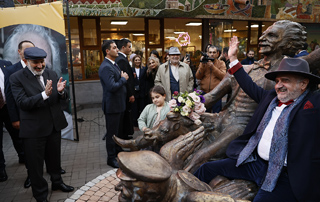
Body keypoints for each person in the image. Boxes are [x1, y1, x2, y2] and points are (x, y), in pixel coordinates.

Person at [194, 36, 320, 201]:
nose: (279, 85)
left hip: (284, 174)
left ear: (303, 84)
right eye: (277, 81)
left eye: (286, 81)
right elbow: (248, 85)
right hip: (254, 163)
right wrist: (232, 58)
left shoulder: (312, 105)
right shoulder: (270, 98)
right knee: (205, 169)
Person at [184, 20, 308, 173]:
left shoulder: (284, 71)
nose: (262, 39)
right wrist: (186, 103)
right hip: (220, 117)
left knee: (201, 155)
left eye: (272, 36)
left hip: (241, 127)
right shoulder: (246, 68)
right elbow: (211, 96)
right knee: (176, 123)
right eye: (262, 35)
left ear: (287, 42)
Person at [10, 47, 74, 202]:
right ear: (25, 61)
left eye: (42, 61)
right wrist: (44, 94)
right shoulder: (16, 78)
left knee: (55, 159)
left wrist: (60, 92)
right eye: (35, 62)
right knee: (36, 166)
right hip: (33, 130)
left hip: (53, 126)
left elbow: (62, 98)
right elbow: (22, 103)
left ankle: (57, 183)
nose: (40, 65)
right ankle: (40, 194)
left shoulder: (51, 73)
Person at [99, 40, 129, 168]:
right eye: (115, 48)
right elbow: (111, 86)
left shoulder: (113, 64)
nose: (117, 50)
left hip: (118, 104)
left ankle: (118, 151)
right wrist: (123, 79)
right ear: (107, 51)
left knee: (117, 132)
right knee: (112, 133)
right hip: (112, 106)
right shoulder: (106, 66)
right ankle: (111, 158)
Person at [0, 59, 25, 182]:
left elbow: (10, 88)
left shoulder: (6, 64)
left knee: (16, 134)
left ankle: (23, 156)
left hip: (7, 106)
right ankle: (1, 168)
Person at [196, 45, 226, 113]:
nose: (212, 54)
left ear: (217, 54)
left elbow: (223, 76)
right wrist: (202, 65)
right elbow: (198, 76)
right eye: (210, 52)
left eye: (214, 52)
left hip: (216, 93)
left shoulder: (221, 63)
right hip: (204, 93)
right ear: (207, 53)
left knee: (216, 113)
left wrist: (213, 67)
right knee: (204, 113)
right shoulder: (204, 63)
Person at [115, 38, 135, 140]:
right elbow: (125, 79)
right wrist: (130, 94)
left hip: (125, 93)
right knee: (126, 114)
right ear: (123, 47)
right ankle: (124, 135)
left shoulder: (122, 59)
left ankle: (126, 134)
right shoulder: (121, 60)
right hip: (125, 93)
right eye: (129, 47)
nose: (130, 49)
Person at [131, 54, 147, 126]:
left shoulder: (144, 69)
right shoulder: (131, 69)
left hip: (142, 92)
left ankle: (142, 122)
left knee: (142, 107)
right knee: (135, 108)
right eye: (136, 60)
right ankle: (135, 123)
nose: (137, 61)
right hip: (134, 92)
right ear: (133, 61)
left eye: (139, 60)